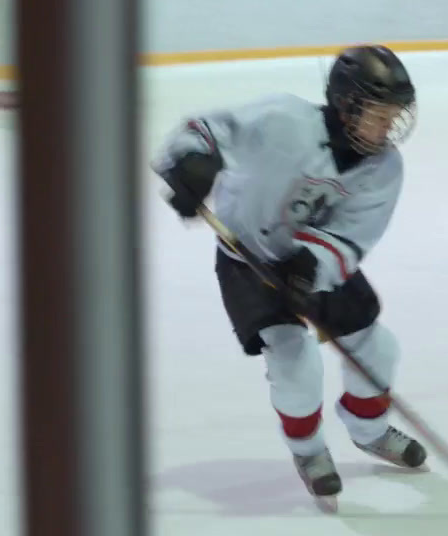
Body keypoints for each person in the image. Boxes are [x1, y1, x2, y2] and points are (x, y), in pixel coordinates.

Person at [154, 44, 427, 501]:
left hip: (314, 266)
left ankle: (370, 430)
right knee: (292, 360)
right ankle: (309, 450)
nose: (390, 126)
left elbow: (354, 234)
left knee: (378, 348)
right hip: (248, 260)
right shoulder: (281, 119)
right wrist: (191, 165)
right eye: (379, 113)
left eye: (395, 114)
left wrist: (311, 267)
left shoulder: (384, 169)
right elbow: (204, 130)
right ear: (345, 105)